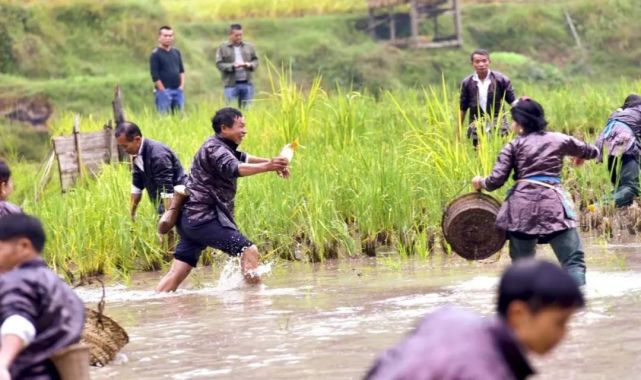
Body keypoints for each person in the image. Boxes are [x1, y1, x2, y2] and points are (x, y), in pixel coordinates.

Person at [365, 259, 585, 380]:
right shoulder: (487, 372)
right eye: (560, 322)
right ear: (518, 314)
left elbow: (384, 364)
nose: (566, 334)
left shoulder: (449, 318)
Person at [156, 107, 289, 292]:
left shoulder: (221, 146)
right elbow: (235, 168)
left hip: (189, 221)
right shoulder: (215, 148)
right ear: (224, 128)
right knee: (249, 251)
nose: (245, 131)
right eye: (240, 126)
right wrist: (268, 166)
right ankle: (256, 304)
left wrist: (273, 163)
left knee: (175, 275)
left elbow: (245, 158)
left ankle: (156, 304)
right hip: (204, 219)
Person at [471, 97, 599, 286]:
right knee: (573, 262)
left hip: (521, 210)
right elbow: (593, 151)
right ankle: (578, 307)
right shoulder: (559, 139)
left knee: (523, 268)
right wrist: (580, 157)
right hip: (553, 207)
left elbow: (495, 181)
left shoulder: (513, 146)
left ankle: (530, 307)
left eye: (514, 120)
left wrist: (479, 182)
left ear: (520, 123)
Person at [0, 214, 85, 380]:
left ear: (24, 246)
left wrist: (3, 363)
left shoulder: (18, 281)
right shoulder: (63, 288)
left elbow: (18, 323)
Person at [115, 122, 187, 221]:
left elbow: (167, 191)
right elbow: (137, 185)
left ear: (137, 140)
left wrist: (168, 222)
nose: (124, 150)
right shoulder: (137, 154)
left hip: (179, 204)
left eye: (125, 146)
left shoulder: (158, 155)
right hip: (162, 203)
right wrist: (131, 214)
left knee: (172, 233)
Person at [460, 49, 517, 147]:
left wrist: (521, 120)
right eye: (477, 62)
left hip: (497, 119)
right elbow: (463, 108)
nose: (481, 64)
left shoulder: (501, 79)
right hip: (476, 121)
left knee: (502, 149)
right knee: (479, 152)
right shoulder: (467, 83)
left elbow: (513, 102)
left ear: (489, 62)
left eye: (484, 61)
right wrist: (458, 131)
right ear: (472, 63)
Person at [595, 94, 641, 208]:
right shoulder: (638, 111)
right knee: (631, 187)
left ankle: (607, 202)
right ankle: (599, 206)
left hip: (609, 144)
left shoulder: (618, 114)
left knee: (619, 187)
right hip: (625, 141)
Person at [215, 24, 259, 108]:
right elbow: (219, 64)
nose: (239, 37)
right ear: (230, 35)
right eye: (236, 35)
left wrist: (249, 65)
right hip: (231, 85)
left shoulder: (249, 46)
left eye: (240, 35)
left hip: (247, 83)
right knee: (230, 110)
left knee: (247, 110)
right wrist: (232, 66)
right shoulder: (223, 48)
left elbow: (256, 60)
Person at [150, 25, 185, 114]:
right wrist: (163, 91)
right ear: (159, 37)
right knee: (164, 118)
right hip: (163, 91)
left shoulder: (176, 52)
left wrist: (181, 87)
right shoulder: (155, 54)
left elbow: (181, 71)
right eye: (165, 36)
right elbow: (155, 76)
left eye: (170, 35)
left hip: (178, 91)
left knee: (179, 117)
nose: (168, 38)